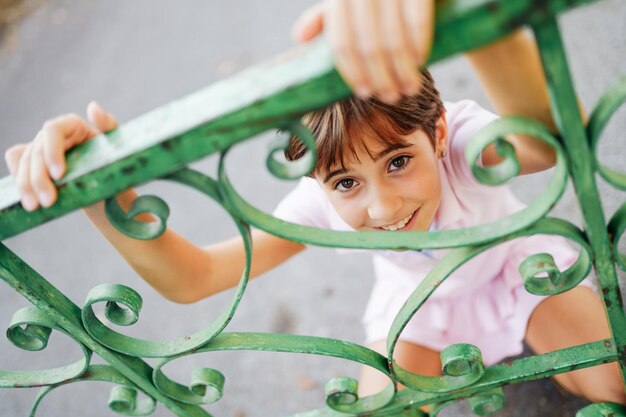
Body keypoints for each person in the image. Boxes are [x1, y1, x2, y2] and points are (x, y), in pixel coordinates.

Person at [4, 0, 625, 406]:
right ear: (319, 179)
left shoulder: (459, 138)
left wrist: (469, 15)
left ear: (434, 133)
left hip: (515, 272)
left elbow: (537, 143)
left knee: (603, 385)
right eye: (346, 183)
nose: (382, 207)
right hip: (419, 309)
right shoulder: (317, 201)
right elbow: (195, 279)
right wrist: (103, 195)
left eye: (399, 161)